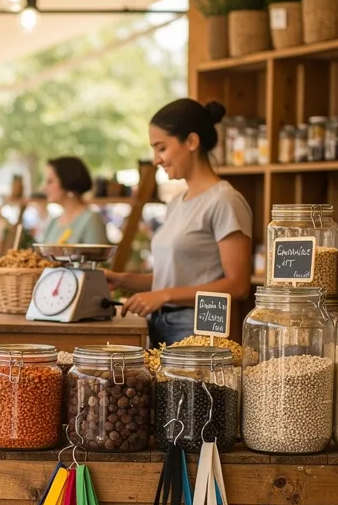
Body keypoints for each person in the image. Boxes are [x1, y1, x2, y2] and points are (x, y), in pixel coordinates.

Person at [107, 98, 253, 346]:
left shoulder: (225, 200)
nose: (155, 160)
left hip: (198, 331)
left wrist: (164, 295)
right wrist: (122, 279)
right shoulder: (177, 203)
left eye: (161, 148)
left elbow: (238, 286)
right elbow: (173, 279)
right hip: (159, 325)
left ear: (192, 142)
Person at [38, 157, 108, 245]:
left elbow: (98, 257)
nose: (44, 188)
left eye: (50, 181)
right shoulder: (54, 221)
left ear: (68, 182)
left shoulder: (91, 220)